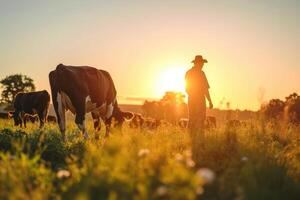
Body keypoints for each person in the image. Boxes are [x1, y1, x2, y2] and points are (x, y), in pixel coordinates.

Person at [185, 55, 213, 132]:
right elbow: (205, 89)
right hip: (200, 99)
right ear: (198, 63)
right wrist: (210, 101)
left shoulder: (188, 73)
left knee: (191, 118)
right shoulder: (201, 73)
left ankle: (190, 136)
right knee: (200, 119)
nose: (203, 65)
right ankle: (199, 136)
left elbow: (186, 88)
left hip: (191, 98)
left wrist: (191, 95)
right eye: (202, 63)